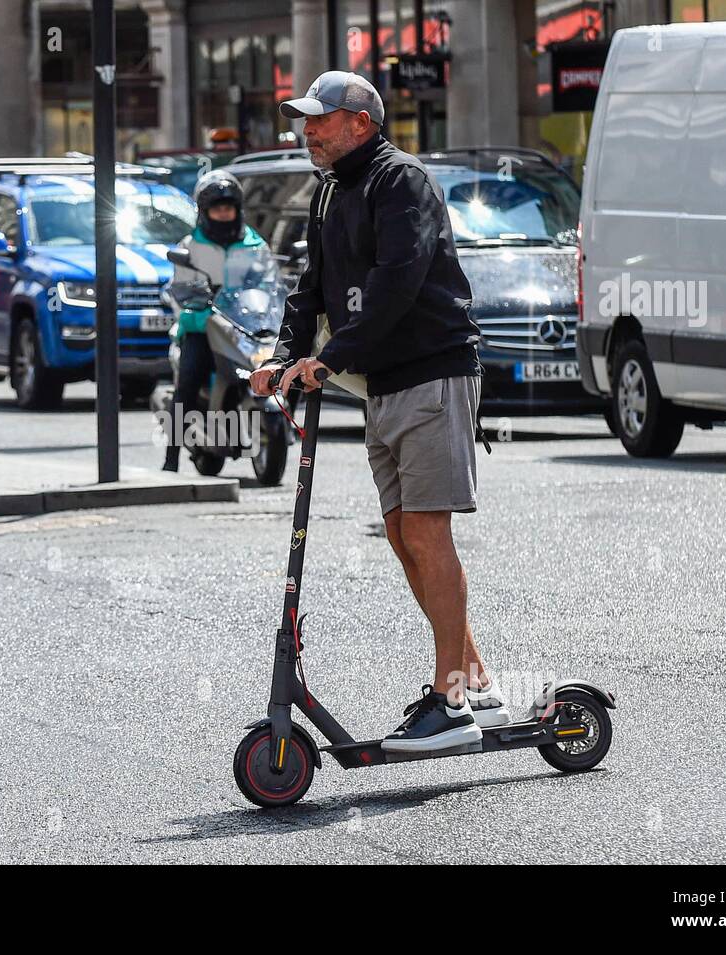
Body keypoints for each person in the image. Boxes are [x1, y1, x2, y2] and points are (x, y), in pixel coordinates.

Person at [250, 71, 511, 752]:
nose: (306, 130)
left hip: (432, 369)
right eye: (303, 120)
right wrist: (282, 356)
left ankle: (450, 698)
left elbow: (400, 279)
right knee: (401, 534)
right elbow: (309, 290)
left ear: (360, 122)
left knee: (427, 530)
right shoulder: (331, 189)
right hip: (384, 382)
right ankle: (475, 677)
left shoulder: (402, 182)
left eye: (319, 119)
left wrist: (333, 357)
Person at [163, 170, 270, 471]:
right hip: (201, 329)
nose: (224, 214)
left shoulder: (254, 245)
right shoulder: (190, 246)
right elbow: (180, 288)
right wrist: (193, 301)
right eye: (217, 208)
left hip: (243, 329)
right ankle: (170, 458)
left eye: (228, 207)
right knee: (188, 383)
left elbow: (268, 281)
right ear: (205, 212)